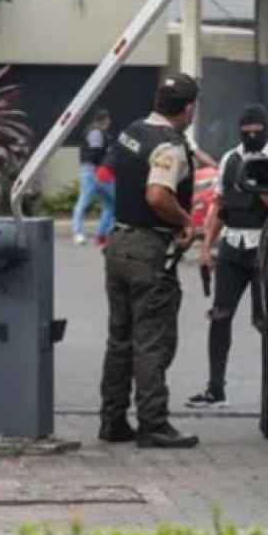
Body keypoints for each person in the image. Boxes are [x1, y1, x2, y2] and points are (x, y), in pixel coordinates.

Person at [98, 73, 204, 449]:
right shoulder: (169, 146)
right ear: (188, 109)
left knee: (120, 338)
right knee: (151, 341)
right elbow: (158, 195)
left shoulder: (134, 130)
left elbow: (116, 172)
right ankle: (153, 423)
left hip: (119, 242)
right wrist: (185, 220)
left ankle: (112, 420)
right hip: (148, 250)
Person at [189, 104, 268, 409]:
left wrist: (261, 188)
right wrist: (206, 247)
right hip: (232, 247)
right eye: (245, 131)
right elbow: (220, 206)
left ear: (266, 128)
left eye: (256, 131)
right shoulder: (230, 158)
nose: (251, 136)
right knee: (220, 316)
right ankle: (215, 388)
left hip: (266, 248)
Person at [72, 109, 116, 246]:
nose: (109, 122)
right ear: (104, 120)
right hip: (95, 170)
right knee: (86, 201)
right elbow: (95, 153)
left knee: (110, 204)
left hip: (93, 170)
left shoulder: (94, 131)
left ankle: (99, 235)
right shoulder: (96, 132)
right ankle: (80, 233)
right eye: (108, 120)